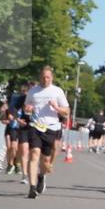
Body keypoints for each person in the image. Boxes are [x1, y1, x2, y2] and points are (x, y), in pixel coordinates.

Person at [23, 66, 69, 199]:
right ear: (40, 77)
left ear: (52, 78)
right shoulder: (33, 91)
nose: (45, 79)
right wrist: (28, 109)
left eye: (48, 77)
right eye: (43, 77)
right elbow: (26, 108)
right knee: (34, 154)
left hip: (51, 128)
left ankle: (41, 176)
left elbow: (67, 111)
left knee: (45, 160)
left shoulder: (57, 91)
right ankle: (32, 188)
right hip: (35, 126)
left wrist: (56, 107)